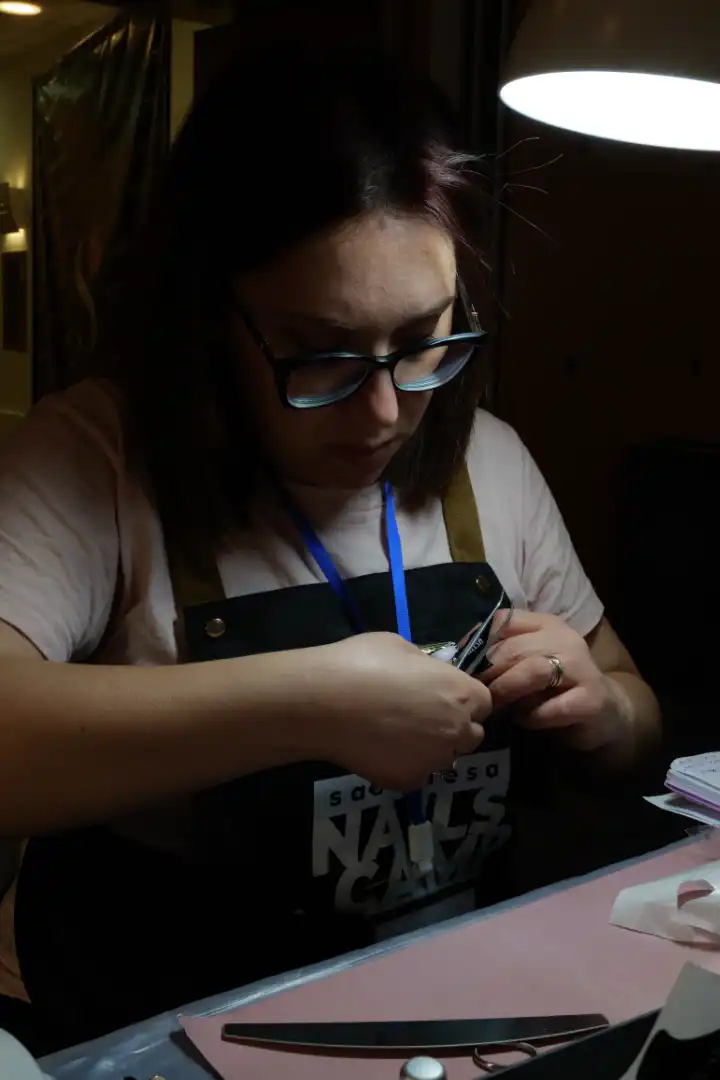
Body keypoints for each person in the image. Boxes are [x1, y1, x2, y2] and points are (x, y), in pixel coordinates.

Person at [0, 45, 660, 1053]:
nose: (385, 412)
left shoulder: (489, 458)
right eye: (321, 355)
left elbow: (637, 711)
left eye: (423, 339)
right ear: (212, 316)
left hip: (450, 1006)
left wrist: (601, 707)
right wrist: (313, 703)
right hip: (168, 1026)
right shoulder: (99, 454)